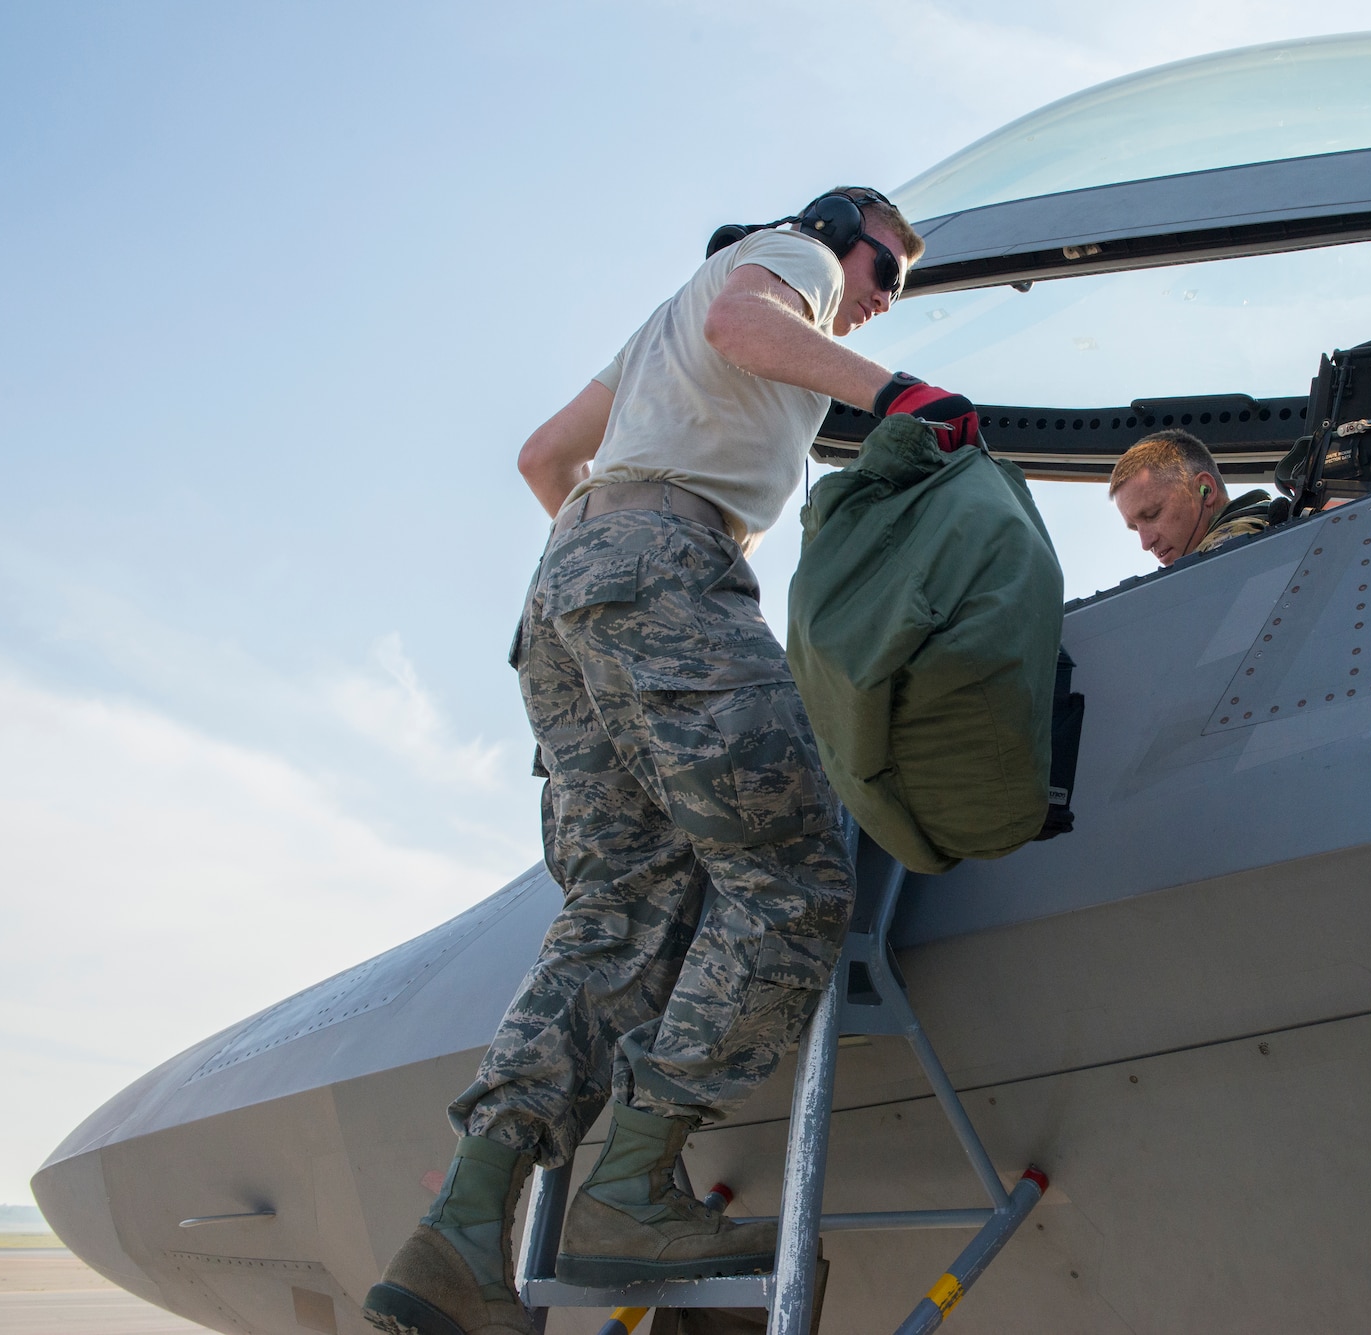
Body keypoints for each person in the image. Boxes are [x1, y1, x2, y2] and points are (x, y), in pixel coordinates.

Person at [363, 188, 982, 1335]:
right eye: (883, 269)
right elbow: (741, 329)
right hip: (664, 560)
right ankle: (634, 1190)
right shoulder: (779, 261)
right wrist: (905, 397)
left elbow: (545, 455)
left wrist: (600, 556)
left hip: (566, 589)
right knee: (788, 882)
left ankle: (459, 1233)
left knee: (620, 906)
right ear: (835, 231)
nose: (880, 300)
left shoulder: (662, 326)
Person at [1109, 428, 1274, 567]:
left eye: (1153, 514)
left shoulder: (1231, 552)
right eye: (1136, 528)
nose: (1145, 543)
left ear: (1206, 490)